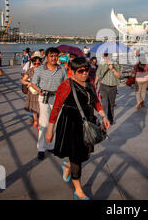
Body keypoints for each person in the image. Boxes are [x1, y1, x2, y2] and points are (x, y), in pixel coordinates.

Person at [45, 57, 110, 200]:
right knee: (76, 158)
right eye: (80, 71)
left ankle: (67, 166)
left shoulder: (90, 83)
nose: (84, 73)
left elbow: (96, 102)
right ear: (73, 71)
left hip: (87, 122)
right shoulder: (66, 85)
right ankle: (78, 191)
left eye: (87, 70)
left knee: (83, 155)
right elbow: (56, 108)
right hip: (70, 123)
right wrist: (50, 130)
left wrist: (104, 116)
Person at [30, 47, 68, 160]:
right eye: (51, 56)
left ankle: (51, 145)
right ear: (46, 57)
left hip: (57, 98)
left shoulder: (62, 69)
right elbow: (33, 83)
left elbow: (66, 83)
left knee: (55, 123)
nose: (54, 58)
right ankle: (41, 148)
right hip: (44, 98)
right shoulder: (40, 69)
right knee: (43, 123)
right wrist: (39, 90)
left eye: (56, 56)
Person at [95, 53, 121, 125]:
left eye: (107, 55)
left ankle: (111, 119)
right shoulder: (101, 64)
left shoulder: (116, 64)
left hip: (113, 87)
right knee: (105, 104)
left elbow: (119, 76)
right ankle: (105, 119)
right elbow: (98, 74)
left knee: (111, 105)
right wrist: (95, 83)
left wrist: (112, 69)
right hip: (103, 86)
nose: (106, 57)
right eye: (104, 55)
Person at [22, 51, 43, 128]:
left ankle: (41, 120)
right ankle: (35, 120)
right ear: (32, 63)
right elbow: (23, 80)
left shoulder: (44, 70)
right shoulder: (30, 71)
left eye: (38, 63)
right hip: (33, 92)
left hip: (41, 91)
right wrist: (29, 83)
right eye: (35, 63)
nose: (37, 65)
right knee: (34, 107)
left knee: (41, 107)